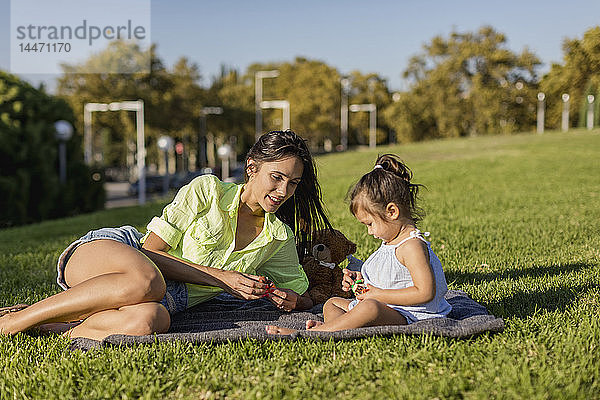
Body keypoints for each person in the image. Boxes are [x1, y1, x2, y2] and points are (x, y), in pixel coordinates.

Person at [0, 130, 331, 341]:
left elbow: (300, 293)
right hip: (121, 255)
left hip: (165, 300)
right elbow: (150, 251)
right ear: (252, 167)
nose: (283, 190)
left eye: (293, 183)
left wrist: (294, 300)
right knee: (147, 282)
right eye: (276, 177)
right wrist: (221, 279)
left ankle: (55, 326)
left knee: (151, 320)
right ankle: (15, 322)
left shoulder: (278, 237)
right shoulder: (208, 190)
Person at [266, 154, 451, 335]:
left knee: (370, 307)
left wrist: (376, 295)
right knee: (332, 303)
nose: (370, 232)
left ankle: (320, 332)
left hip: (411, 313)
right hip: (386, 305)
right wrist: (359, 278)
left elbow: (424, 292)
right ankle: (338, 328)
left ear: (392, 211)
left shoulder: (411, 246)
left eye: (370, 224)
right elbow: (393, 277)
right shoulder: (392, 241)